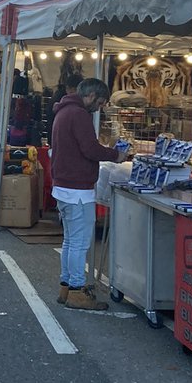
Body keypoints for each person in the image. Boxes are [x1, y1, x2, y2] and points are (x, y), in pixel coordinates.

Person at [51, 77, 126, 312]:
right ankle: (76, 289)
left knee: (70, 241)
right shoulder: (79, 115)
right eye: (100, 102)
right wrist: (116, 155)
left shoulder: (63, 112)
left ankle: (67, 286)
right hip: (77, 190)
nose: (100, 107)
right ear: (91, 96)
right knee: (80, 243)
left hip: (64, 187)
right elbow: (90, 148)